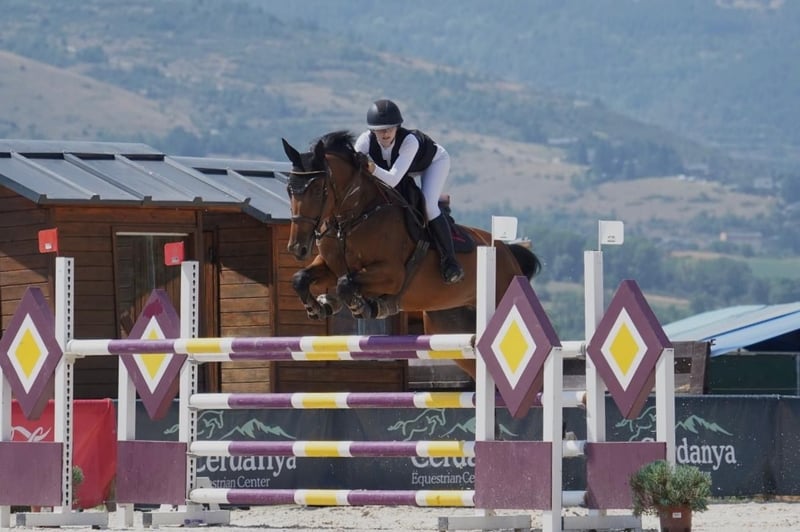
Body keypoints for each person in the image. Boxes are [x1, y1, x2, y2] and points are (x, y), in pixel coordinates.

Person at [354, 99, 464, 284]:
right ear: (372, 130)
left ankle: (450, 262)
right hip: (402, 168)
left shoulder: (409, 141)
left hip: (433, 163)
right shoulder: (364, 140)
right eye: (380, 129)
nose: (386, 133)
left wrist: (371, 168)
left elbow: (393, 179)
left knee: (428, 206)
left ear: (397, 127)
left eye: (390, 128)